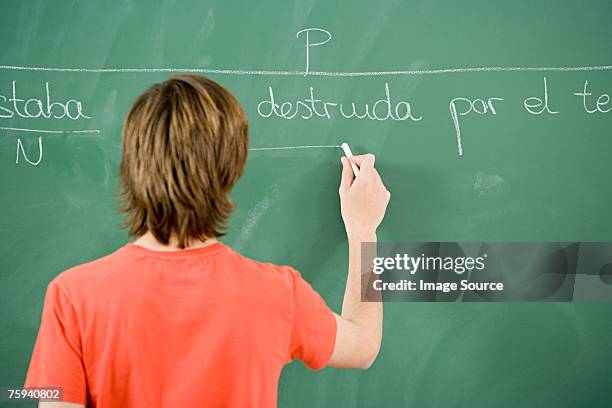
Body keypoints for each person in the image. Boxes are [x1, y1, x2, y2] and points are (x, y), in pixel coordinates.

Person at [25, 75, 390, 408]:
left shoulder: (72, 296)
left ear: (132, 164)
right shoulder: (278, 292)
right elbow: (364, 346)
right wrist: (363, 233)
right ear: (232, 167)